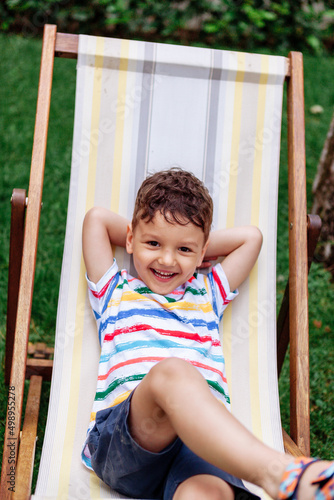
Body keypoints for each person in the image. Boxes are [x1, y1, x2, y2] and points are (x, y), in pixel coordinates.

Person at [81, 167, 334, 500]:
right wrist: (180, 236)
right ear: (130, 239)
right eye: (153, 243)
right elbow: (96, 219)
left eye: (184, 251)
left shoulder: (207, 294)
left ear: (203, 253)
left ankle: (275, 474)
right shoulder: (114, 291)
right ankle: (278, 472)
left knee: (206, 493)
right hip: (129, 443)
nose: (167, 259)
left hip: (203, 446)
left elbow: (252, 238)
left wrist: (192, 239)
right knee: (173, 372)